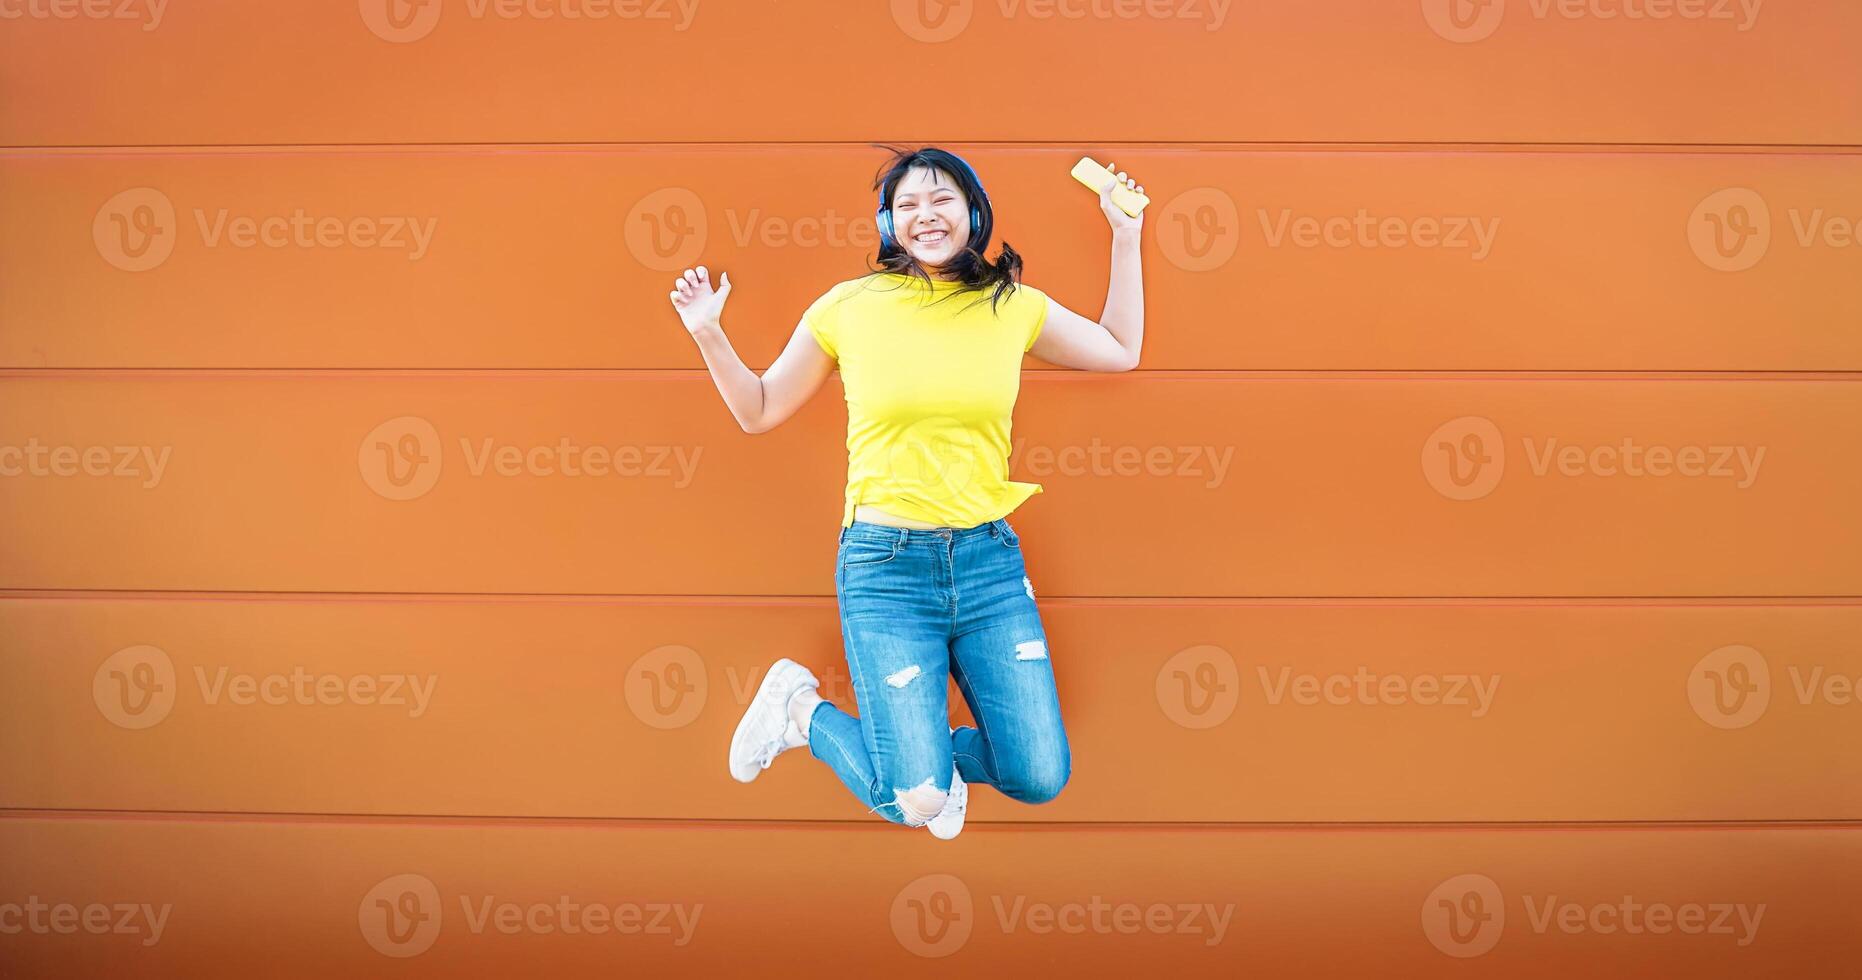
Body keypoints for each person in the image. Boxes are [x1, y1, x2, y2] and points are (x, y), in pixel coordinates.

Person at [668, 145, 1145, 838]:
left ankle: (920, 763)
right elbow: (761, 408)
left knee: (1039, 775)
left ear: (974, 212)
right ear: (888, 223)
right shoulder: (848, 308)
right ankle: (800, 709)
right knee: (915, 805)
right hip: (887, 570)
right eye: (907, 204)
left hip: (988, 566)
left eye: (942, 198)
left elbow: (1120, 348)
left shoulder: (1009, 306)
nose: (925, 214)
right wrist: (708, 332)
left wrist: (1125, 236)